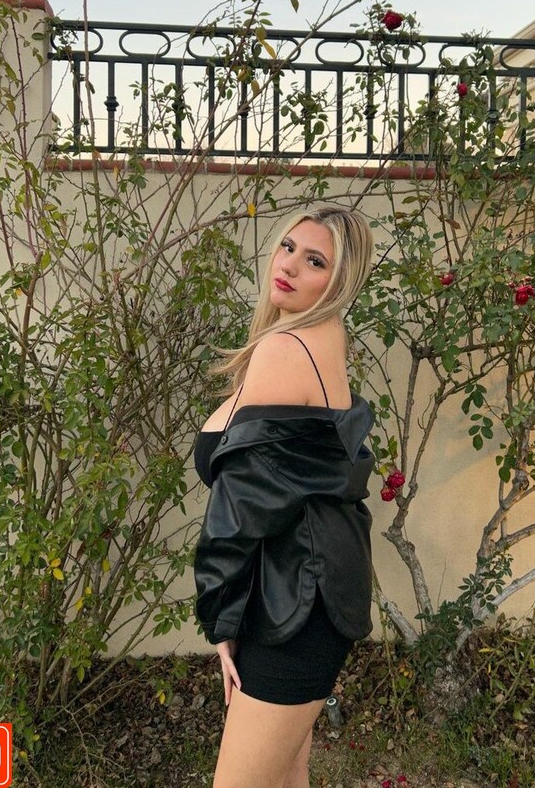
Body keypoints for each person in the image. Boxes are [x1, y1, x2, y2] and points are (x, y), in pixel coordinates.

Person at [193, 203, 376, 788]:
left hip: (293, 605)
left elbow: (240, 508)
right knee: (286, 776)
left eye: (315, 261)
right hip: (307, 589)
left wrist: (221, 618)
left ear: (339, 283)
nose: (290, 265)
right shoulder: (322, 336)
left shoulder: (285, 349)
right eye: (289, 247)